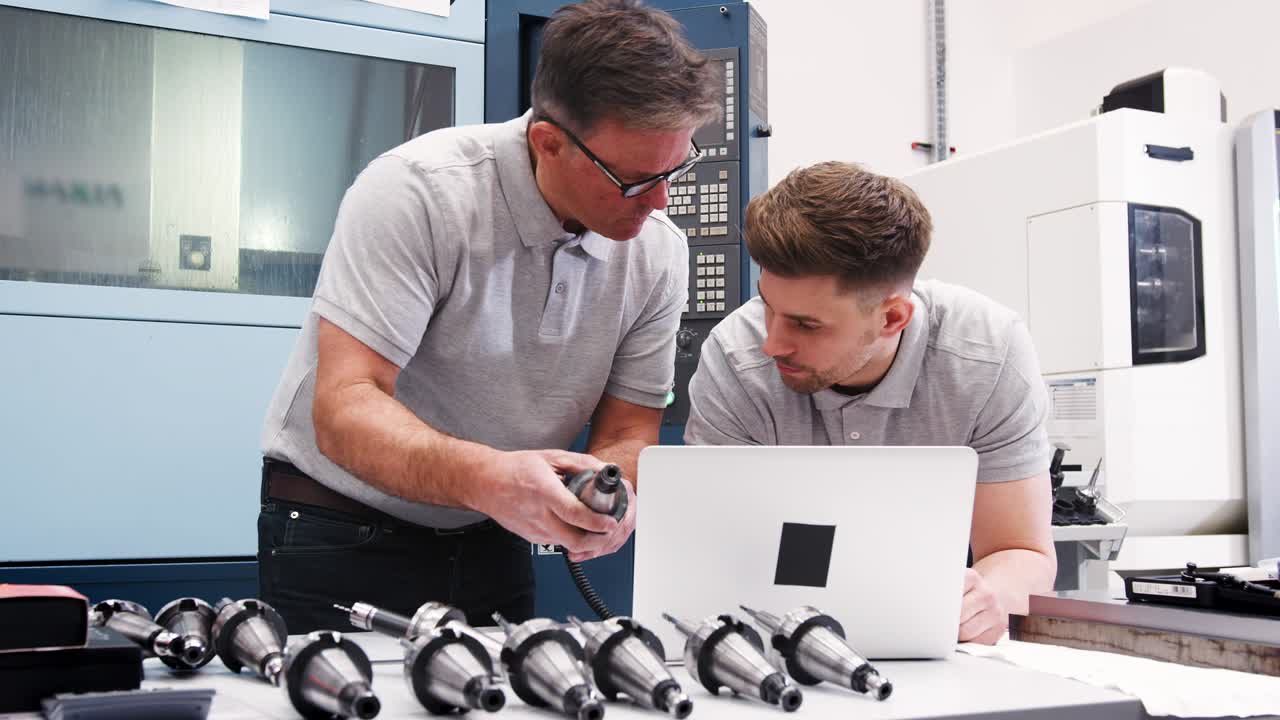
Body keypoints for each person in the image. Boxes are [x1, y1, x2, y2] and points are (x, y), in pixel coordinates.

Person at [257, 0, 720, 631]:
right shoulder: (419, 192)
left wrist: (616, 492)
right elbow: (345, 407)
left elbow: (631, 431)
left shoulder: (658, 250)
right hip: (344, 526)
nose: (661, 201)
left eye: (676, 169)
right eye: (635, 179)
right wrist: (490, 478)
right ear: (548, 142)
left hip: (492, 527)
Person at [685, 161, 1057, 644]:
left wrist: (985, 601)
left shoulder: (987, 355)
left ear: (892, 317)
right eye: (768, 306)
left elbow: (1021, 551)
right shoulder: (735, 358)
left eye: (806, 324)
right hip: (774, 644)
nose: (772, 343)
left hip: (933, 650)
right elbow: (708, 556)